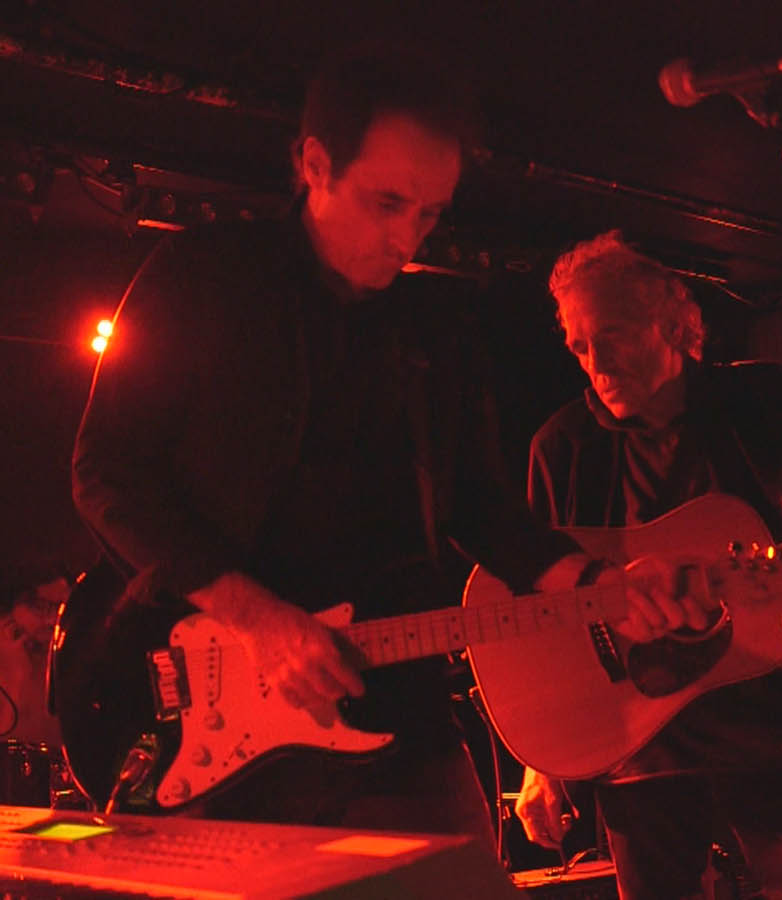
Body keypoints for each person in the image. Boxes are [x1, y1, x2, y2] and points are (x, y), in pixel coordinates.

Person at [67, 42, 633, 841]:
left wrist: (604, 585)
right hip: (212, 709)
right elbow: (106, 471)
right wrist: (260, 619)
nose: (408, 238)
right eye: (387, 202)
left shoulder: (436, 330)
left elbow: (483, 507)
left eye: (430, 213)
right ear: (314, 164)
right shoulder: (202, 275)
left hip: (396, 708)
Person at [513, 230, 782, 899]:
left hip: (771, 719)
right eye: (579, 347)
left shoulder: (766, 402)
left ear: (673, 326)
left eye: (612, 335)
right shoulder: (561, 449)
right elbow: (541, 616)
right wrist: (543, 765)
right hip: (636, 742)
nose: (597, 364)